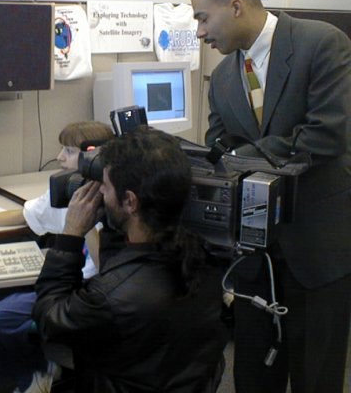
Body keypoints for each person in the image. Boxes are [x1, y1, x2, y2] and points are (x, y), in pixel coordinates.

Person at [189, 0, 351, 392]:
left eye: (203, 18)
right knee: (254, 376)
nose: (200, 32)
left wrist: (243, 157)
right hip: (255, 255)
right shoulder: (223, 78)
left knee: (317, 378)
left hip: (317, 250)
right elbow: (218, 146)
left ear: (236, 6)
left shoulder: (321, 43)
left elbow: (327, 134)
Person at [31, 127, 228, 392]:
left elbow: (49, 317)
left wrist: (71, 235)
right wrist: (114, 220)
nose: (100, 192)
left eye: (105, 186)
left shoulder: (110, 297)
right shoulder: (205, 260)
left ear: (130, 201)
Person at [0, 120, 115, 391]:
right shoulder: (69, 188)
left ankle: (37, 370)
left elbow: (105, 272)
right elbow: (26, 213)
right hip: (63, 272)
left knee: (1, 316)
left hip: (86, 288)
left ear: (94, 156)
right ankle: (5, 369)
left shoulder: (111, 201)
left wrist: (85, 223)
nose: (60, 157)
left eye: (69, 151)